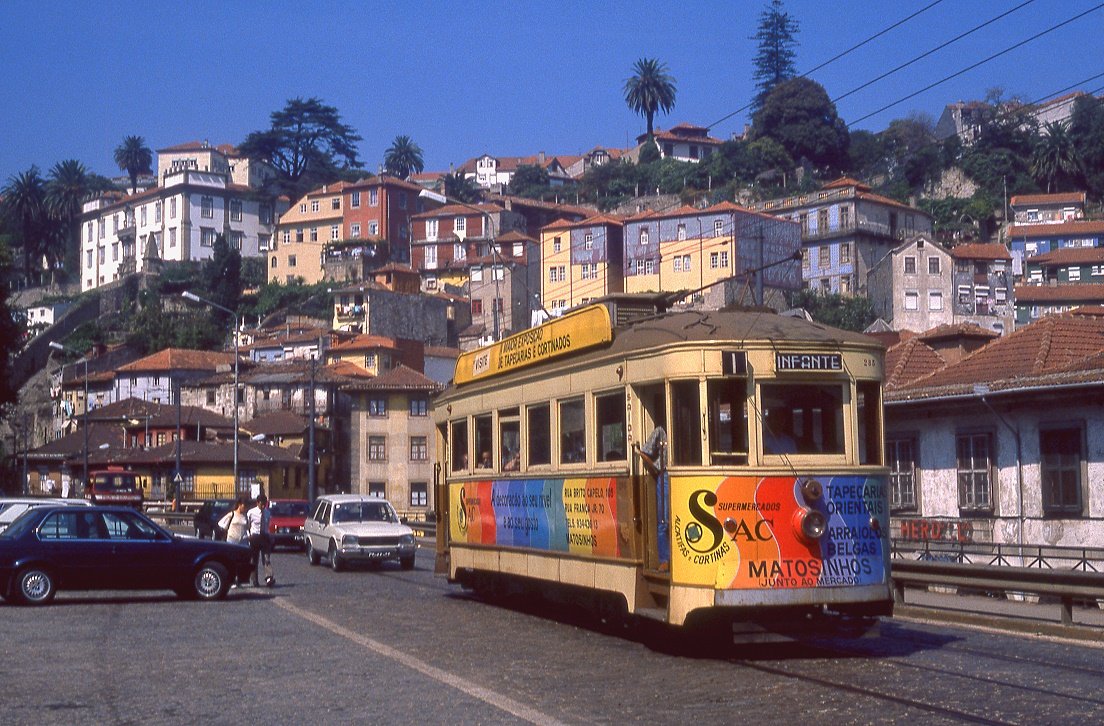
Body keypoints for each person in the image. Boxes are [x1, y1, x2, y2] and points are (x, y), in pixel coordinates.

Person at [246, 495, 274, 587]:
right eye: (261, 504)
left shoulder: (267, 513)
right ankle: (254, 579)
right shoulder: (251, 513)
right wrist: (249, 535)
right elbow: (248, 525)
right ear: (257, 503)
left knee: (266, 559)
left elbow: (267, 525)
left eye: (264, 504)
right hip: (255, 537)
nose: (263, 506)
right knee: (254, 560)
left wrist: (269, 535)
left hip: (264, 537)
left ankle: (269, 577)